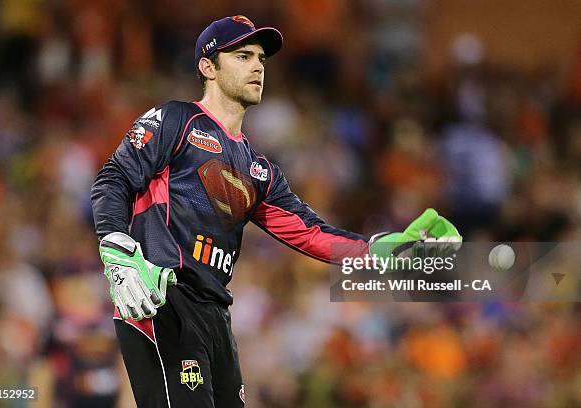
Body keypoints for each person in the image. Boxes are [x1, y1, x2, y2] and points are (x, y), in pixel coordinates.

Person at [91, 15, 461, 408]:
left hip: (215, 314)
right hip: (162, 297)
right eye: (242, 55)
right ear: (207, 66)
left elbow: (313, 234)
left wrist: (386, 252)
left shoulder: (259, 169)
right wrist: (116, 247)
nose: (257, 66)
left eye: (261, 59)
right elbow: (113, 179)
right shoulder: (175, 120)